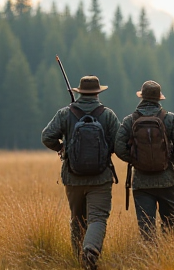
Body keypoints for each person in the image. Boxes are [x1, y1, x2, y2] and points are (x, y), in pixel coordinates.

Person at [41, 76, 120, 270]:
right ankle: (91, 251)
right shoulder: (108, 115)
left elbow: (47, 137)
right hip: (100, 178)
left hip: (72, 176)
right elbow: (120, 143)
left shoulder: (64, 113)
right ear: (97, 93)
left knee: (77, 220)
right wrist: (105, 150)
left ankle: (80, 261)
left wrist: (62, 148)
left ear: (79, 92)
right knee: (98, 218)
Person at [114, 80, 174, 240]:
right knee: (170, 225)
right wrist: (167, 159)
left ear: (142, 97)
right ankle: (168, 257)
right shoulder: (170, 118)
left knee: (146, 227)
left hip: (141, 183)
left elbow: (119, 147)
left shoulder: (130, 120)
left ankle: (150, 260)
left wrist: (136, 160)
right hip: (167, 181)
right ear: (158, 98)